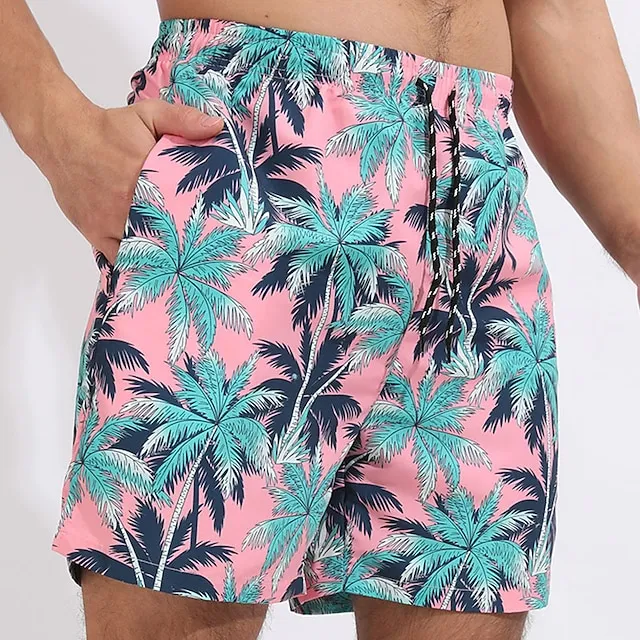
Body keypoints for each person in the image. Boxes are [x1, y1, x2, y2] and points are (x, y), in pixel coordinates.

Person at [1, 1, 638, 639]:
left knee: (471, 607)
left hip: (477, 204)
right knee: (175, 610)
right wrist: (60, 130)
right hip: (261, 160)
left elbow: (557, 11)